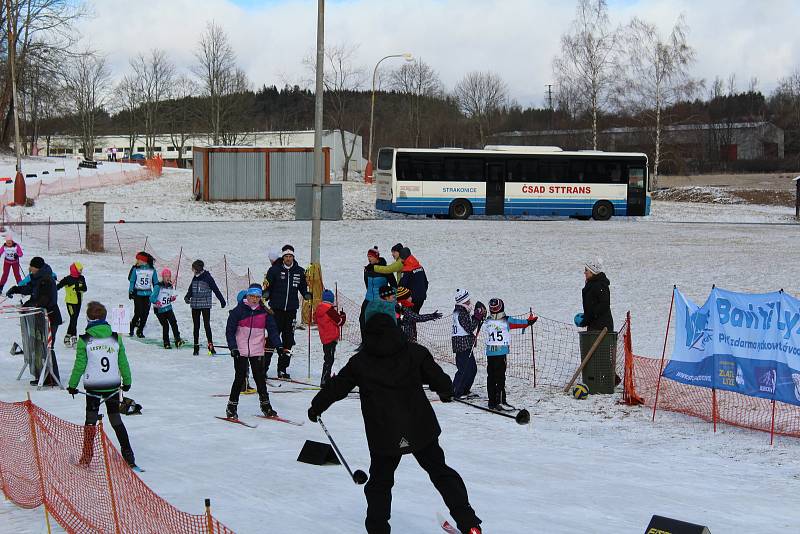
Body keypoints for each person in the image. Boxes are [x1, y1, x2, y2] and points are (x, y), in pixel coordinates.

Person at [308, 313, 482, 534]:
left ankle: (378, 529)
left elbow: (337, 387)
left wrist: (316, 407)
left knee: (380, 483)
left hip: (384, 433)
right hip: (420, 428)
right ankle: (469, 523)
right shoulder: (415, 353)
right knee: (441, 473)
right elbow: (439, 379)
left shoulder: (360, 363)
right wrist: (446, 391)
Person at [66, 301, 137, 469]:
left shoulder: (85, 340)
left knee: (90, 421)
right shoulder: (115, 338)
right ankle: (129, 456)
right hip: (112, 385)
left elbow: (80, 365)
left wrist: (72, 385)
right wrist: (127, 381)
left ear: (89, 319)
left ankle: (86, 459)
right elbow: (123, 362)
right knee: (115, 419)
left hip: (93, 387)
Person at [224, 284, 282, 419]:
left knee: (259, 378)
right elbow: (230, 331)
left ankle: (266, 406)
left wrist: (278, 346)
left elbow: (273, 331)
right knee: (239, 378)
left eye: (257, 297)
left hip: (257, 349)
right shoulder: (238, 311)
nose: (254, 299)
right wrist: (233, 347)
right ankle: (231, 407)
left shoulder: (264, 313)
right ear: (247, 296)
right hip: (240, 349)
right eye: (252, 296)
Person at [8, 256, 63, 386]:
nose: (29, 268)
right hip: (40, 317)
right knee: (40, 346)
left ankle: (51, 378)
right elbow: (29, 289)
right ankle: (43, 375)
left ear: (37, 267)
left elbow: (43, 300)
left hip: (50, 317)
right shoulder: (37, 278)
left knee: (48, 346)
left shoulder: (46, 280)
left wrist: (29, 305)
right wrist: (16, 289)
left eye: (31, 266)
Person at [482, 298, 536, 410]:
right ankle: (500, 401)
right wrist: (529, 322)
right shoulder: (506, 320)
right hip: (501, 354)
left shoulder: (487, 321)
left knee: (491, 377)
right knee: (500, 378)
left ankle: (492, 402)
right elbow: (518, 323)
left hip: (490, 353)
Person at [265, 244, 310, 378]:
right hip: (276, 310)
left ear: (293, 257)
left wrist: (306, 294)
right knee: (272, 339)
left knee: (288, 340)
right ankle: (264, 368)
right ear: (283, 257)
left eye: (290, 256)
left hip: (291, 311)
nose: (288, 259)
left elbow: (302, 287)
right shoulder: (274, 270)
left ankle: (282, 369)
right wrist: (266, 293)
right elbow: (268, 285)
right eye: (286, 256)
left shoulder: (299, 271)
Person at [184, 259, 226, 355]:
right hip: (195, 305)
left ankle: (211, 347)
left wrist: (222, 300)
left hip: (205, 305)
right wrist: (187, 297)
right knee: (196, 326)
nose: (193, 270)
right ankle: (196, 347)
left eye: (193, 268)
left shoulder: (207, 277)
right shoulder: (195, 277)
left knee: (207, 325)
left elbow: (216, 289)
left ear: (198, 269)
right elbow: (191, 289)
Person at [451, 289, 485, 399]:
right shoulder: (461, 313)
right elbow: (469, 328)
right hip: (462, 344)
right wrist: (476, 317)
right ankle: (456, 391)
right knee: (464, 369)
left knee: (472, 368)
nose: (470, 303)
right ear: (463, 302)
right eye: (468, 301)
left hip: (464, 343)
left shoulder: (461, 311)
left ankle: (464, 390)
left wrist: (477, 317)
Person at [361, 246, 395, 338]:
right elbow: (367, 285)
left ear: (376, 257)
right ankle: (365, 342)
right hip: (368, 299)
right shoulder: (367, 269)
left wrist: (389, 298)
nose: (368, 258)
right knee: (362, 320)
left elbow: (394, 285)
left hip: (380, 300)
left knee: (379, 321)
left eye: (370, 256)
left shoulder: (385, 269)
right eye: (368, 256)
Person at [314, 289, 346, 387]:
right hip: (331, 338)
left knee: (328, 358)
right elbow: (340, 322)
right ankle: (325, 380)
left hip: (324, 337)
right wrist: (343, 316)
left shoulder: (319, 309)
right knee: (329, 359)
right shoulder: (330, 310)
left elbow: (315, 319)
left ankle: (326, 378)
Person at [150, 268, 184, 349]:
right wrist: (156, 301)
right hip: (159, 310)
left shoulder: (170, 286)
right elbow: (151, 298)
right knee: (165, 325)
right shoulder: (158, 286)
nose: (168, 278)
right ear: (162, 277)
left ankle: (177, 340)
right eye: (166, 276)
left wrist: (171, 298)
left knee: (174, 323)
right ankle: (166, 343)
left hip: (168, 308)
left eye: (169, 276)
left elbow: (167, 297)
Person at [577, 259, 614, 332]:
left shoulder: (599, 285)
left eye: (586, 270)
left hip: (602, 328)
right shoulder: (591, 284)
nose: (584, 272)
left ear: (592, 271)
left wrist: (587, 319)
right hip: (594, 326)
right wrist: (587, 319)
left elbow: (604, 305)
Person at [261, 247, 282, 372]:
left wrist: (265, 296)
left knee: (272, 338)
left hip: (275, 309)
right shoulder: (284, 268)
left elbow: (267, 287)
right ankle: (282, 368)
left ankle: (264, 368)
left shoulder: (272, 270)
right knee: (285, 340)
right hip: (286, 310)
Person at [57, 262, 87, 347]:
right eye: (79, 270)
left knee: (74, 319)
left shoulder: (82, 278)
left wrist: (78, 288)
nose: (81, 272)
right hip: (70, 302)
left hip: (79, 302)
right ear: (75, 270)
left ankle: (67, 336)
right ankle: (74, 338)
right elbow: (58, 286)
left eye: (81, 270)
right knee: (73, 318)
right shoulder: (67, 279)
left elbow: (85, 288)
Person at [128, 251, 157, 338]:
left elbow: (155, 282)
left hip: (148, 294)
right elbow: (132, 280)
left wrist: (155, 293)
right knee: (138, 312)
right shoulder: (135, 269)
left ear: (143, 260)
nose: (137, 261)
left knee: (145, 313)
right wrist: (130, 291)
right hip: (138, 294)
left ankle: (140, 330)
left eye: (138, 259)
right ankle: (132, 327)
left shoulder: (152, 270)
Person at [398, 247, 428, 313]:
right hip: (421, 297)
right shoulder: (419, 266)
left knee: (409, 318)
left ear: (402, 257)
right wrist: (421, 293)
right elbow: (425, 283)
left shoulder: (407, 269)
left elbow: (402, 285)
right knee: (415, 316)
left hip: (411, 299)